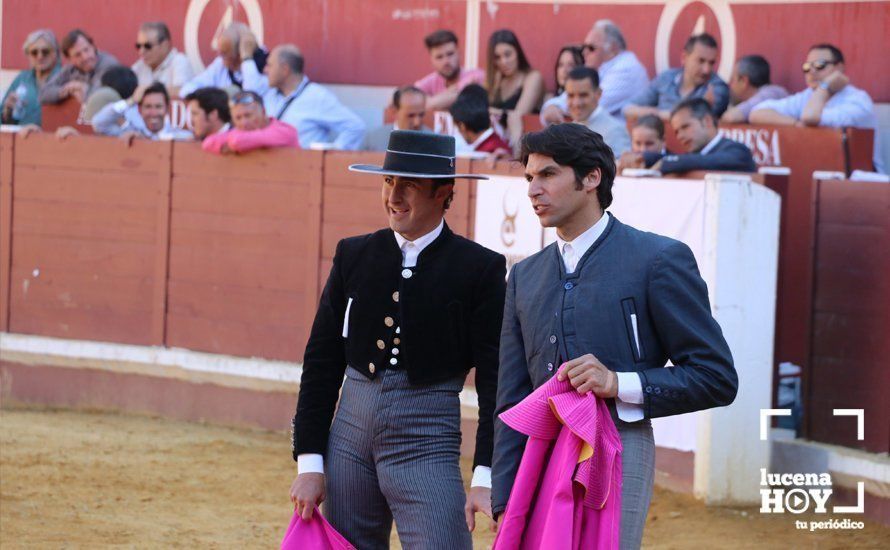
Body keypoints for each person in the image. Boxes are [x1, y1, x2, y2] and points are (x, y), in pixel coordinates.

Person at [492, 122, 738, 549]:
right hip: (539, 451)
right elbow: (513, 395)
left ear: (592, 178)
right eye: (529, 177)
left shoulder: (657, 259)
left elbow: (716, 376)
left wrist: (619, 382)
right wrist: (505, 494)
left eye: (548, 174)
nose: (533, 190)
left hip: (618, 444)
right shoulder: (526, 276)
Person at [288, 130, 504, 549]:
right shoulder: (354, 254)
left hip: (427, 437)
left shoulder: (479, 269)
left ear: (444, 193)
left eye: (410, 185)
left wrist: (485, 474)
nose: (394, 195)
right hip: (349, 436)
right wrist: (310, 462)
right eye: (389, 181)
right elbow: (322, 360)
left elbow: (495, 380)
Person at [750, 43, 883, 173]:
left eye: (820, 65)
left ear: (840, 68)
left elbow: (810, 117)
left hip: (861, 180)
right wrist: (795, 123)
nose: (812, 71)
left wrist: (825, 88)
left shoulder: (858, 99)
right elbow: (756, 113)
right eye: (807, 67)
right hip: (823, 173)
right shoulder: (807, 95)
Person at [242, 44, 365, 150]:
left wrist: (330, 156)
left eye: (269, 65)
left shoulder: (317, 96)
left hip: (303, 171)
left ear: (285, 69)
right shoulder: (268, 94)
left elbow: (355, 127)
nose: (265, 70)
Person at [541, 20, 649, 124]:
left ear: (612, 48)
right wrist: (552, 105)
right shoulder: (604, 67)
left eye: (591, 48)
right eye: (584, 47)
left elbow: (588, 105)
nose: (584, 52)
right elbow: (573, 97)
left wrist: (555, 106)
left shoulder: (626, 68)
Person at [623, 33, 728, 121]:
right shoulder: (666, 78)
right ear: (684, 58)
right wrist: (659, 114)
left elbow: (695, 119)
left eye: (711, 63)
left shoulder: (717, 87)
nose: (706, 69)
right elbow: (627, 109)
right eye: (701, 61)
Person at [646, 98, 756, 174]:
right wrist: (644, 158)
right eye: (677, 132)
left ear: (707, 121)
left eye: (685, 127)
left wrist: (669, 162)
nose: (680, 136)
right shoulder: (693, 155)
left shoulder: (738, 151)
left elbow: (706, 161)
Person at [485, 29, 545, 145]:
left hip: (527, 146)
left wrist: (490, 111)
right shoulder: (496, 80)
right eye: (497, 57)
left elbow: (519, 114)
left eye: (508, 54)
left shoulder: (532, 77)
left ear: (517, 52)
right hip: (497, 148)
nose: (504, 62)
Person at [179, 23, 267, 97]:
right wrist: (217, 97)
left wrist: (247, 59)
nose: (220, 58)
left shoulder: (266, 64)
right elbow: (187, 89)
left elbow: (251, 96)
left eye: (224, 54)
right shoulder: (220, 64)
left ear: (240, 53)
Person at [202, 90, 298, 154]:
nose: (244, 123)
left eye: (248, 115)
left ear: (263, 112)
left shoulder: (285, 131)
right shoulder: (240, 132)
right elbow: (208, 142)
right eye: (238, 118)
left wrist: (232, 146)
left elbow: (237, 141)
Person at [92, 81, 193, 141]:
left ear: (166, 108)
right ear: (140, 110)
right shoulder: (129, 133)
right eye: (148, 107)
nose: (153, 113)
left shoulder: (181, 137)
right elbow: (99, 123)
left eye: (158, 107)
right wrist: (130, 101)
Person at [39, 29, 119, 105]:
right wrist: (66, 90)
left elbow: (95, 98)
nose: (85, 57)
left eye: (86, 50)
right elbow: (42, 94)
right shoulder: (70, 69)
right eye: (78, 55)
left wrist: (81, 87)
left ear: (93, 47)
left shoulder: (108, 65)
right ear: (70, 59)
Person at [564, 67, 631, 157]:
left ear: (598, 94)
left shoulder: (614, 130)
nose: (576, 103)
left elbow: (618, 169)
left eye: (583, 95)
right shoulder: (568, 130)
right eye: (571, 96)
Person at [1, 29, 61, 126]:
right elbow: (5, 122)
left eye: (45, 51)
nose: (40, 56)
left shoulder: (65, 77)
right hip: (22, 138)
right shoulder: (22, 79)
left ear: (55, 53)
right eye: (34, 52)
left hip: (53, 138)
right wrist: (7, 112)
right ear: (28, 55)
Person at [415, 30, 485, 111]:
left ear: (459, 53)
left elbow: (428, 106)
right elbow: (411, 99)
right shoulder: (431, 81)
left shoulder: (477, 76)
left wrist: (432, 101)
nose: (446, 61)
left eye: (450, 54)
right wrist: (450, 94)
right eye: (439, 57)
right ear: (431, 60)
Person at [131, 21, 194, 97]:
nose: (141, 51)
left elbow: (181, 91)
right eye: (138, 46)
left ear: (165, 45)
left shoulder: (180, 61)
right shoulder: (139, 66)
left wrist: (146, 91)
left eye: (148, 46)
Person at [720, 55, 787, 123]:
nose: (730, 86)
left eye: (732, 80)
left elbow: (731, 117)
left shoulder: (772, 92)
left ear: (743, 81)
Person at [450, 85, 511, 157]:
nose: (458, 132)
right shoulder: (494, 144)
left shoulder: (493, 152)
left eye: (457, 127)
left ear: (462, 126)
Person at [365, 86, 431, 151]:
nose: (417, 122)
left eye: (421, 115)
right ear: (394, 111)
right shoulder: (373, 139)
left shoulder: (432, 141)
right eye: (410, 115)